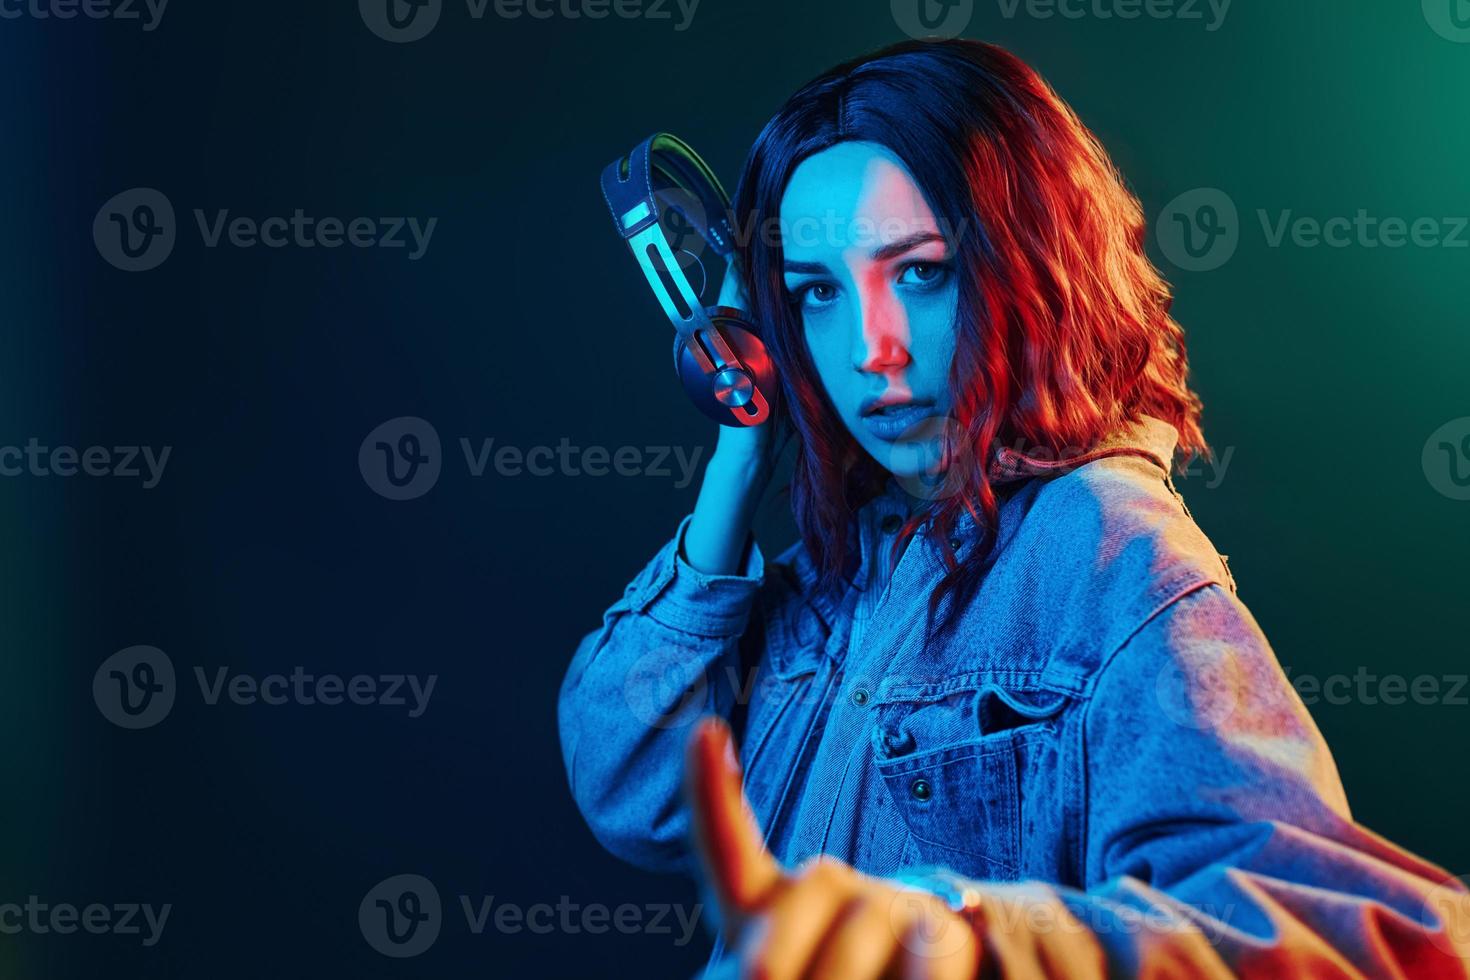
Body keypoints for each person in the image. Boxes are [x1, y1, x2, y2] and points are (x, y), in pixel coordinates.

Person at [558, 37, 1470, 978]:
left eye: (921, 272)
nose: (872, 348)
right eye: (818, 294)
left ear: (1027, 268)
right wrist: (739, 451)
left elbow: (1376, 940)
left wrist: (957, 942)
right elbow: (629, 790)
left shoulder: (1107, 550)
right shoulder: (841, 568)